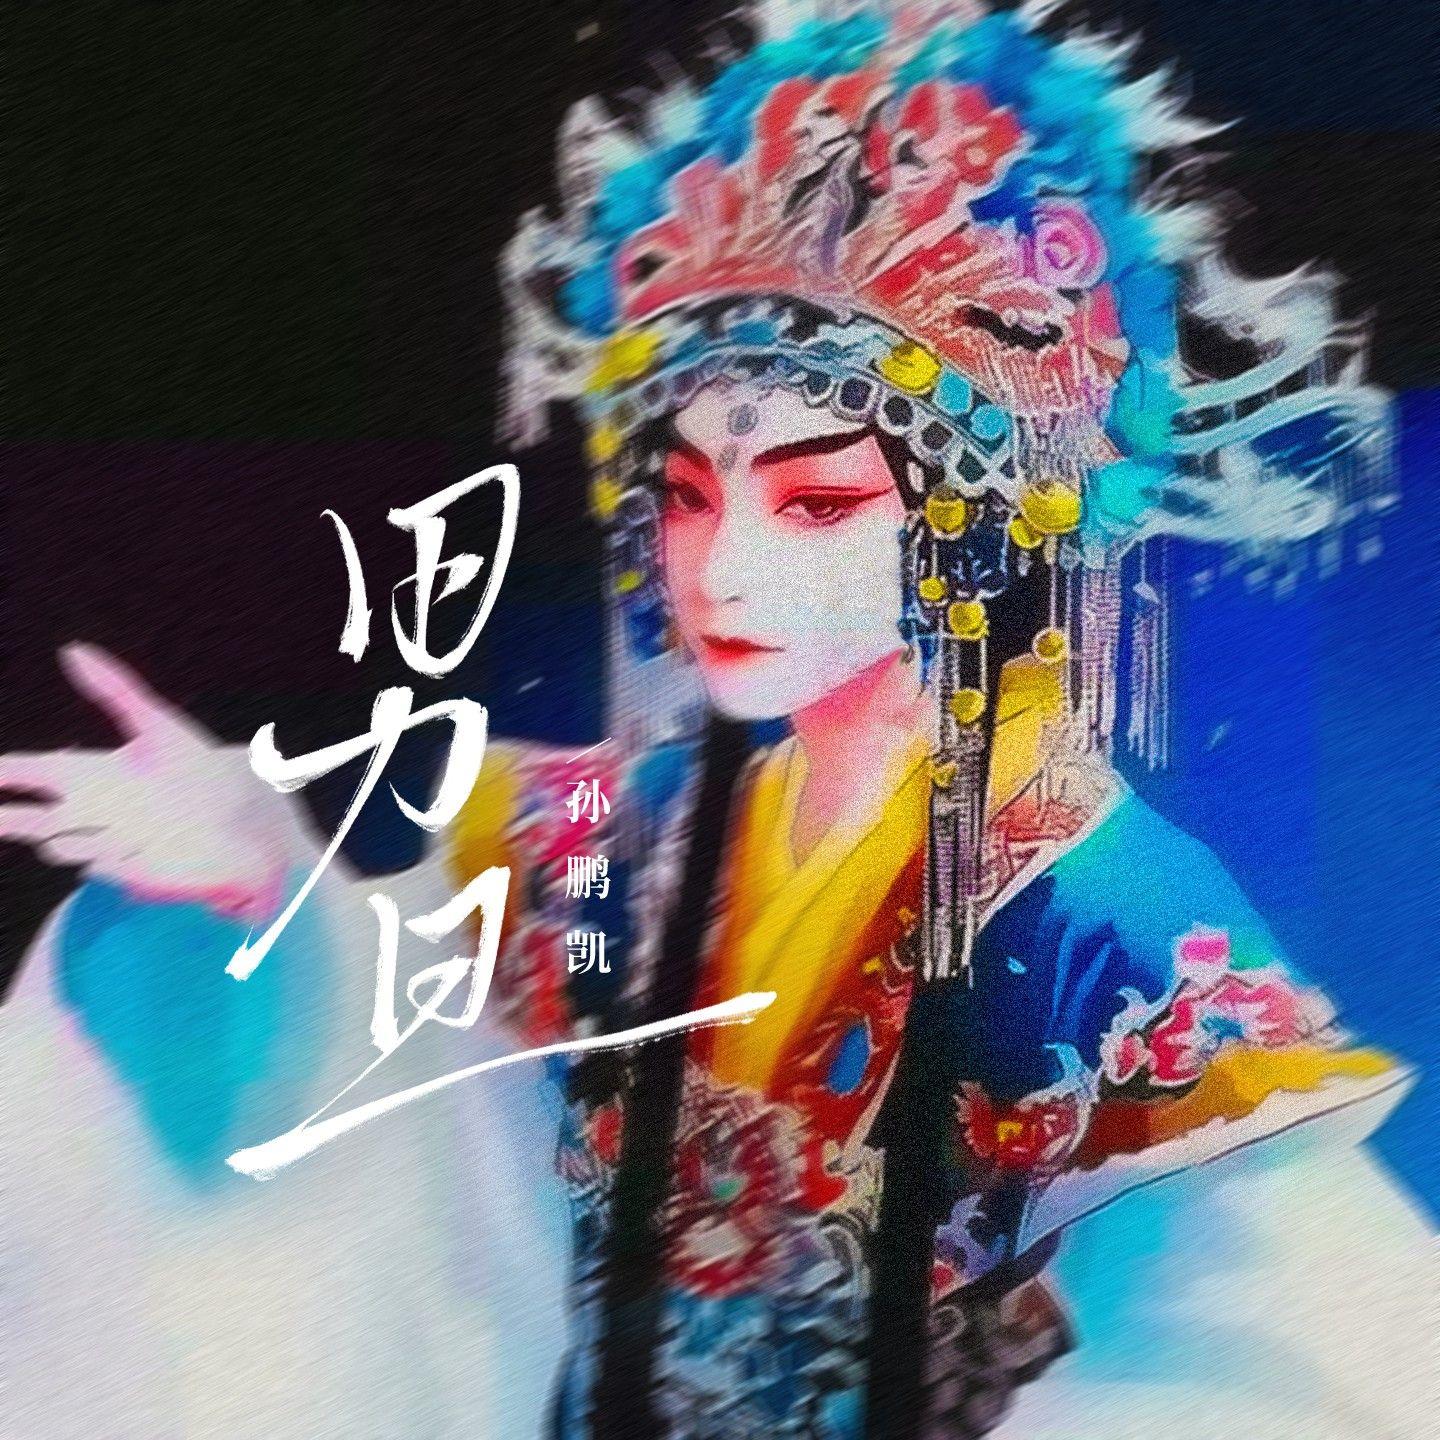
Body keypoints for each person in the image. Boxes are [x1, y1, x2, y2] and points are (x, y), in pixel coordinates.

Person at [2, 4, 1435, 1438]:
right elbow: (415, 1109)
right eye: (689, 496)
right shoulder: (608, 837)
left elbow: (1264, 1347)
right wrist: (256, 902)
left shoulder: (1099, 911)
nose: (723, 569)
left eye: (815, 503)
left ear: (971, 521)